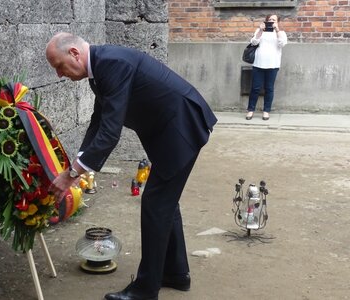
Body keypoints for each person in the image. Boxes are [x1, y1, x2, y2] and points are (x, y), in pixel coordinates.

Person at [46, 32, 217, 300]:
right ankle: (176, 273)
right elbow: (99, 119)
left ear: (75, 54)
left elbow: (111, 132)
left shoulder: (111, 64)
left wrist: (72, 175)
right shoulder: (101, 68)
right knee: (165, 204)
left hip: (181, 128)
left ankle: (145, 290)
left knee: (155, 205)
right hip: (170, 131)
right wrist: (77, 162)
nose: (59, 74)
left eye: (59, 66)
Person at [246, 14, 287, 121]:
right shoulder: (260, 31)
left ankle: (266, 111)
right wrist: (260, 30)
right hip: (258, 63)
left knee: (269, 89)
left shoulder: (281, 33)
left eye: (274, 20)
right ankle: (251, 110)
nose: (272, 22)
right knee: (255, 88)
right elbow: (253, 42)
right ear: (266, 21)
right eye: (270, 20)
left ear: (277, 22)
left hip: (273, 65)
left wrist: (277, 31)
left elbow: (282, 44)